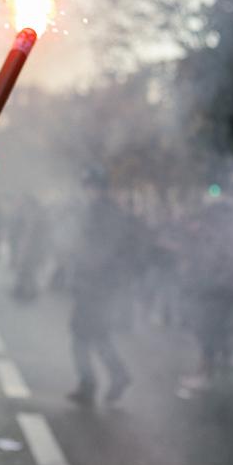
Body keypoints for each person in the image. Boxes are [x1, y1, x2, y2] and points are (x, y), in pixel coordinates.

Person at [65, 174, 140, 405]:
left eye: (88, 188)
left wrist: (82, 275)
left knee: (81, 334)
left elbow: (96, 251)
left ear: (95, 189)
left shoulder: (99, 213)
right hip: (105, 285)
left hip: (95, 285)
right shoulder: (114, 212)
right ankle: (116, 375)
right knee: (97, 334)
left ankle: (89, 384)